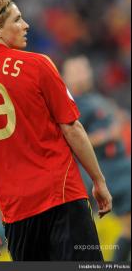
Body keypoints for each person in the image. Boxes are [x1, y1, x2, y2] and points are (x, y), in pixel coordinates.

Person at [0, 0, 112, 261]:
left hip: (17, 213)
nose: (26, 25)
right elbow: (72, 128)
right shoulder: (39, 64)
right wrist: (98, 180)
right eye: (17, 19)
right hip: (62, 196)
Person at [62, 56, 131, 262]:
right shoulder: (70, 106)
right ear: (65, 78)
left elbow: (117, 120)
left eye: (84, 69)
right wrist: (106, 135)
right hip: (108, 173)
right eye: (75, 71)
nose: (82, 74)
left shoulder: (96, 99)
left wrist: (118, 120)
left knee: (129, 228)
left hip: (122, 166)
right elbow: (73, 141)